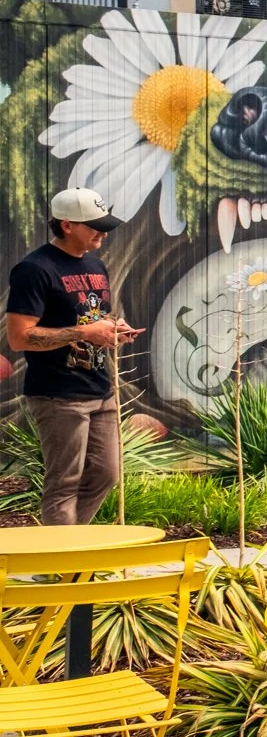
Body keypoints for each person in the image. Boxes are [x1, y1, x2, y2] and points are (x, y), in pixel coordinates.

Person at [6, 188, 139, 525]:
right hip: (58, 394)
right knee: (64, 483)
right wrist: (82, 333)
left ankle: (72, 553)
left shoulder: (95, 263)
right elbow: (19, 338)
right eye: (94, 225)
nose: (103, 232)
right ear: (67, 225)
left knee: (107, 474)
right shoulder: (34, 269)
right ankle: (61, 568)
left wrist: (112, 328)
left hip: (100, 388)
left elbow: (90, 317)